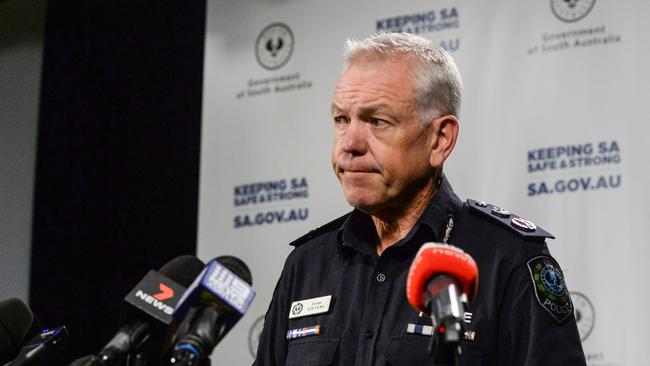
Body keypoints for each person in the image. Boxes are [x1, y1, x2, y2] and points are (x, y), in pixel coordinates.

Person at [253, 32, 586, 366]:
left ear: (440, 139)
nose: (349, 144)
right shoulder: (307, 264)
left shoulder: (509, 260)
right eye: (342, 119)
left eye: (378, 121)